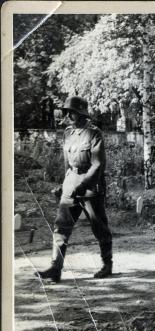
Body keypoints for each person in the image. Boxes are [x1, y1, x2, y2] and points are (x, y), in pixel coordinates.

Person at [35, 96, 113, 283]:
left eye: (72, 112)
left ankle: (107, 264)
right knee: (61, 226)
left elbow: (98, 165)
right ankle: (55, 268)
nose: (68, 115)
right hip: (71, 184)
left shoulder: (94, 133)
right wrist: (65, 185)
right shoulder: (68, 133)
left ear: (81, 113)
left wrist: (83, 185)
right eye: (67, 112)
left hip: (90, 186)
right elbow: (66, 164)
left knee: (99, 226)